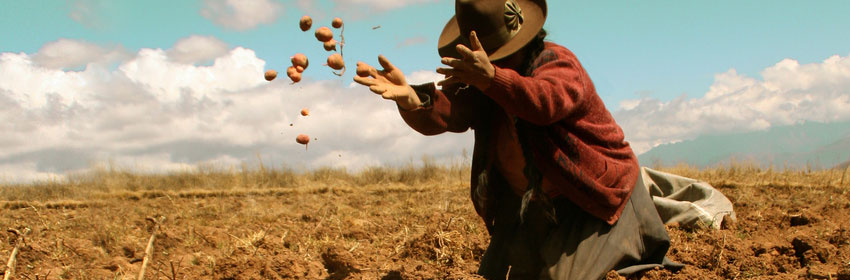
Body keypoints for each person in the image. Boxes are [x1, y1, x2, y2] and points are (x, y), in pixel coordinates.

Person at [354, 0, 679, 278]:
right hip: (532, 205)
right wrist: (414, 100)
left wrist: (493, 79)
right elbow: (454, 111)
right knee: (499, 275)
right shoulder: (481, 81)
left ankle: (635, 244)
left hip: (595, 197)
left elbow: (544, 102)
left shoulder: (555, 62)